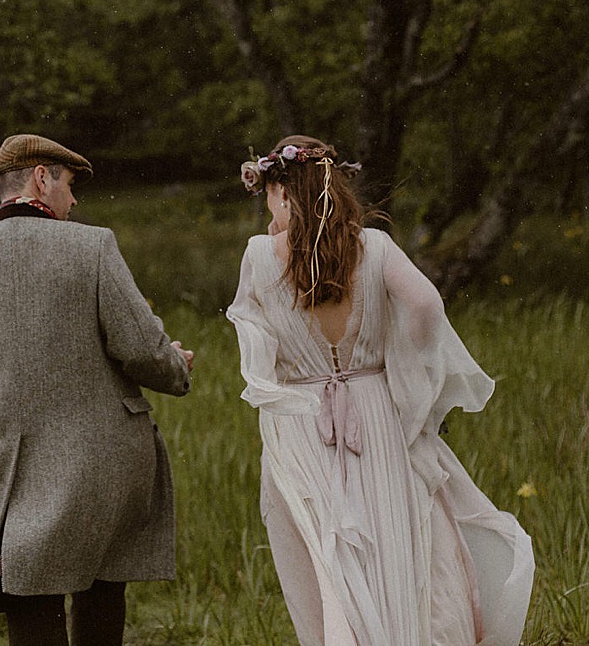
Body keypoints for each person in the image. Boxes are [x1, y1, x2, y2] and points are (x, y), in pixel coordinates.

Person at [227, 135, 533, 646]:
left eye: (269, 197)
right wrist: (401, 367)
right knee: (392, 542)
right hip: (373, 409)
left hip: (302, 422)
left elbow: (256, 350)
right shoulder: (374, 246)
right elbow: (427, 306)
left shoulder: (260, 256)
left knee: (327, 554)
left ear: (281, 192)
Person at [0, 133, 195, 646]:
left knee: (29, 597)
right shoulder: (92, 247)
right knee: (102, 588)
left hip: (0, 471)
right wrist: (176, 365)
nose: (74, 200)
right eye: (68, 184)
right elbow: (140, 348)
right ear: (42, 178)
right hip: (100, 462)